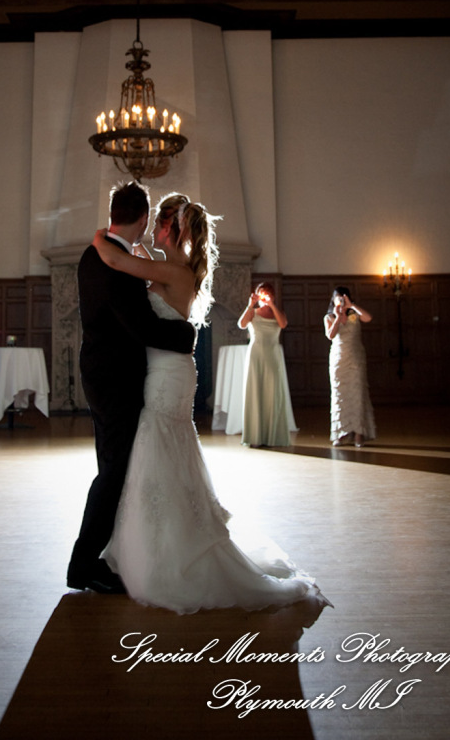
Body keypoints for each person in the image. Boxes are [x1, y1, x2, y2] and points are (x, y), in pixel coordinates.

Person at [91, 193, 331, 618]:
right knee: (166, 451)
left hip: (167, 375)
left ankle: (170, 552)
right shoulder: (171, 266)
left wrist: (99, 237)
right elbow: (141, 263)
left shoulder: (172, 269)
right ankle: (162, 540)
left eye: (159, 224)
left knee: (159, 448)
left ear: (170, 228)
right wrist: (139, 246)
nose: (152, 231)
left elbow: (116, 262)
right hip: (168, 369)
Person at [66, 182, 196, 594]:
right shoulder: (114, 262)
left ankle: (102, 556)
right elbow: (141, 328)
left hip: (101, 375)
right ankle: (84, 565)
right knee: (114, 472)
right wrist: (188, 338)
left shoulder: (96, 254)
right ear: (142, 220)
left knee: (116, 467)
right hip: (117, 382)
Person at [238, 282, 296, 447]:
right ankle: (255, 436)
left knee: (272, 393)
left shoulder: (278, 313)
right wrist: (251, 305)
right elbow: (241, 324)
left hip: (272, 355)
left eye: (267, 294)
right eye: (261, 293)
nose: (264, 296)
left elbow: (283, 324)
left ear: (273, 295)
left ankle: (272, 436)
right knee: (255, 391)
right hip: (256, 355)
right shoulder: (253, 312)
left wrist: (271, 305)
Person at [324, 286, 376, 448]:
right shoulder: (329, 317)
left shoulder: (355, 314)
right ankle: (340, 433)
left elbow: (368, 318)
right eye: (337, 298)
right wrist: (338, 317)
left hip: (356, 358)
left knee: (357, 393)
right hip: (339, 359)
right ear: (333, 300)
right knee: (339, 395)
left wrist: (351, 305)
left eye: (343, 298)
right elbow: (330, 335)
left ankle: (359, 434)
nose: (340, 301)